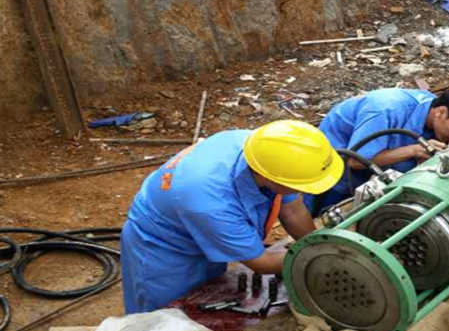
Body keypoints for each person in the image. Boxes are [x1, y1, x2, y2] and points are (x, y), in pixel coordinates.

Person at [120, 120, 343, 314]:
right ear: (269, 177)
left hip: (202, 224)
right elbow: (260, 262)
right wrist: (319, 262)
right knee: (164, 319)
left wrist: (320, 247)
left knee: (206, 296)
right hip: (164, 248)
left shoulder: (269, 152)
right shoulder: (208, 200)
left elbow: (293, 209)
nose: (303, 191)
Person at [310, 86, 449, 212]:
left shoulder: (432, 112)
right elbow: (356, 161)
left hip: (374, 163)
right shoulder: (386, 110)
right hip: (332, 167)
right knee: (330, 213)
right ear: (441, 112)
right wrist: (413, 151)